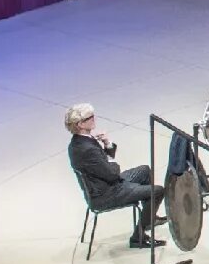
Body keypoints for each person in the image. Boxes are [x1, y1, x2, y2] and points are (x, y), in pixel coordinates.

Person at [65, 102, 163, 249]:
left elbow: (103, 167)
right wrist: (111, 160)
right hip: (106, 194)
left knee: (144, 170)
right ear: (79, 124)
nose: (94, 118)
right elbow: (112, 173)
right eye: (89, 117)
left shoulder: (82, 140)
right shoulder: (85, 149)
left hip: (108, 184)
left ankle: (148, 219)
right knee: (158, 191)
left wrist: (108, 144)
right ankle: (139, 237)